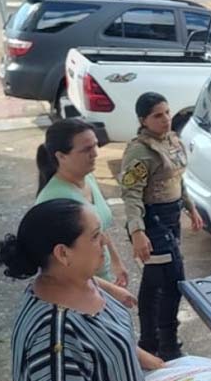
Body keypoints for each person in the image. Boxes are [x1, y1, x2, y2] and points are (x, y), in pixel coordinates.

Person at [0, 199, 185, 381]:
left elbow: (100, 336)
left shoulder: (73, 280)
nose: (105, 242)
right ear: (63, 254)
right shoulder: (56, 334)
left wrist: (141, 357)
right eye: (96, 236)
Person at [120, 92, 203, 361]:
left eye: (167, 112)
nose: (166, 119)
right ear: (143, 120)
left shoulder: (171, 140)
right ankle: (160, 343)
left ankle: (157, 341)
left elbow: (178, 180)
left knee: (161, 280)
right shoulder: (140, 150)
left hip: (170, 217)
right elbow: (131, 194)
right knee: (166, 280)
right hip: (152, 221)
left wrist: (190, 208)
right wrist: (137, 232)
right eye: (158, 115)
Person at [35, 118, 137, 309]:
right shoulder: (54, 200)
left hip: (101, 278)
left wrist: (116, 261)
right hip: (79, 292)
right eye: (85, 150)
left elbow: (99, 229)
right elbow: (59, 271)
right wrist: (110, 290)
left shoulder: (87, 177)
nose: (95, 154)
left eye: (95, 146)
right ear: (61, 156)